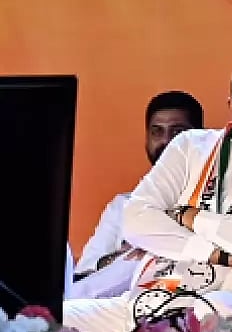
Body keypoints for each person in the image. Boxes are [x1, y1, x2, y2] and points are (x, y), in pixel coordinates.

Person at [63, 53, 232, 332]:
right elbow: (136, 219)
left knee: (206, 319)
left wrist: (188, 217)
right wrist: (220, 254)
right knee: (42, 323)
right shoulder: (191, 147)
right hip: (143, 302)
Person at [71, 91, 205, 296]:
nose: (166, 141)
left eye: (177, 132)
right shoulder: (123, 204)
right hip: (109, 303)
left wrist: (153, 255)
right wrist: (124, 257)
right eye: (156, 132)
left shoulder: (215, 201)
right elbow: (86, 268)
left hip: (180, 293)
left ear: (199, 138)